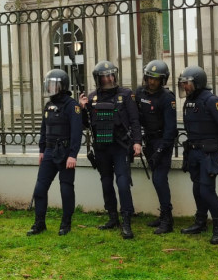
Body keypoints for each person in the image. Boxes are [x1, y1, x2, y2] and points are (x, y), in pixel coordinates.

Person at [79, 60, 142, 239]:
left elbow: (135, 121)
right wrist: (83, 108)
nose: (108, 78)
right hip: (101, 148)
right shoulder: (92, 97)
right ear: (98, 79)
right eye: (104, 76)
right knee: (106, 183)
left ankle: (127, 221)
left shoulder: (126, 94)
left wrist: (137, 142)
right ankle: (112, 217)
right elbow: (85, 124)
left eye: (111, 75)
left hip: (120, 147)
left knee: (122, 183)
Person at [178, 66, 218, 245]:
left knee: (206, 190)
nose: (184, 87)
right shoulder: (189, 101)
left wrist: (217, 145)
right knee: (197, 188)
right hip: (193, 152)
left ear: (197, 82)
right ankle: (200, 222)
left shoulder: (211, 100)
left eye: (187, 83)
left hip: (207, 153)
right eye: (183, 84)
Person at [27, 69, 83, 236]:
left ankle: (66, 224)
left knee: (66, 189)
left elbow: (76, 132)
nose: (51, 87)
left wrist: (73, 154)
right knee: (39, 189)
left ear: (62, 85)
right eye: (49, 84)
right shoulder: (48, 105)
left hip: (66, 153)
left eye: (54, 84)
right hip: (50, 152)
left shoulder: (72, 106)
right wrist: (42, 150)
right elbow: (44, 129)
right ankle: (39, 223)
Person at [135, 60, 177, 234]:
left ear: (163, 80)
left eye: (156, 79)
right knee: (156, 180)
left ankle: (167, 220)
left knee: (160, 179)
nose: (152, 82)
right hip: (149, 141)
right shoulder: (139, 93)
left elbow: (171, 129)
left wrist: (161, 150)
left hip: (162, 142)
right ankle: (163, 215)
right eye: (149, 78)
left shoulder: (167, 98)